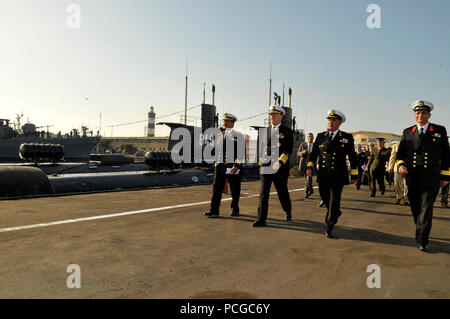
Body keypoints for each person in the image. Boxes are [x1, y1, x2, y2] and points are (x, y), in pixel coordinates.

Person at [396, 100, 450, 251]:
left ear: (429, 115)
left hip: (431, 177)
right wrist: (400, 165)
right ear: (415, 115)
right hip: (413, 176)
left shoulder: (439, 130)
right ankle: (421, 229)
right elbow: (400, 153)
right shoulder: (408, 132)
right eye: (418, 113)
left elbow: (446, 154)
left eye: (424, 113)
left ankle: (423, 239)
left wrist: (445, 176)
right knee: (416, 209)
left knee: (426, 209)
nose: (421, 115)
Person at [306, 109, 358, 238]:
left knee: (334, 201)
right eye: (329, 119)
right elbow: (313, 155)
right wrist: (309, 167)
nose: (330, 122)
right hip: (323, 174)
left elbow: (352, 156)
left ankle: (329, 225)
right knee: (325, 197)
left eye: (333, 120)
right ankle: (335, 212)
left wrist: (354, 174)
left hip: (338, 175)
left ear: (339, 123)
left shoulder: (346, 137)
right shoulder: (320, 136)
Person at [253, 105, 294, 227]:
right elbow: (261, 148)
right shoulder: (265, 131)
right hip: (266, 166)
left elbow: (288, 150)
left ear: (280, 116)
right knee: (263, 194)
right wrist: (260, 163)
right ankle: (261, 219)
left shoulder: (287, 131)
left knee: (282, 192)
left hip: (280, 168)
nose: (272, 116)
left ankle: (287, 210)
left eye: (275, 114)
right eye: (270, 114)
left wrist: (280, 162)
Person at [204, 113, 245, 218]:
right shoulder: (219, 135)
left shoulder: (238, 136)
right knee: (216, 189)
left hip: (233, 166)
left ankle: (235, 209)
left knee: (235, 189)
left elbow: (241, 152)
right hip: (220, 167)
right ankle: (214, 210)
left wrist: (237, 165)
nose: (224, 123)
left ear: (232, 122)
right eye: (224, 121)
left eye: (227, 121)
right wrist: (216, 163)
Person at [297, 133, 315, 198]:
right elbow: (298, 153)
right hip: (304, 163)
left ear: (313, 137)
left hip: (311, 163)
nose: (310, 138)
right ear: (307, 138)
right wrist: (302, 153)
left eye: (311, 136)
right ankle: (311, 188)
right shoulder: (303, 144)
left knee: (309, 177)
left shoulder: (315, 145)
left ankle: (306, 192)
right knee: (306, 178)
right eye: (309, 136)